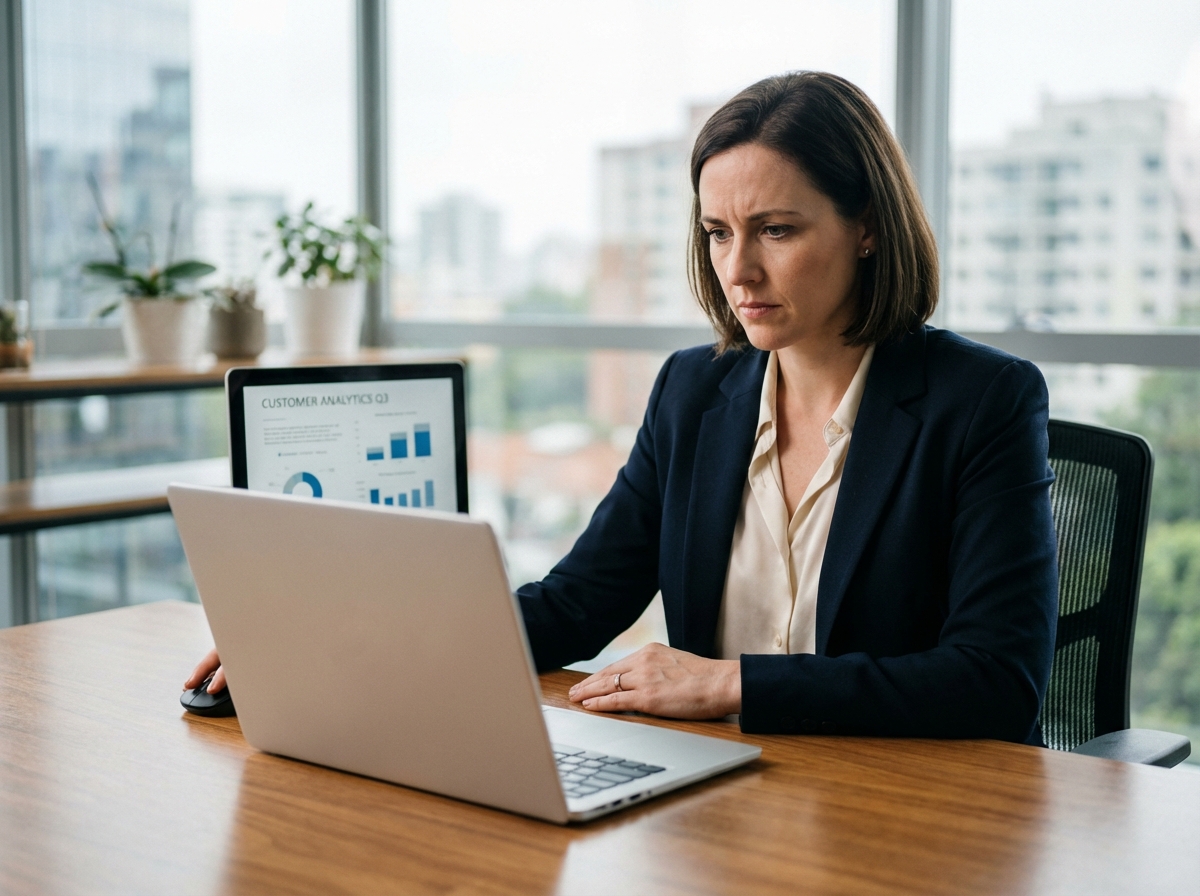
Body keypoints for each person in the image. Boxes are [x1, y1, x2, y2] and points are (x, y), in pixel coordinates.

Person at [188, 71, 1058, 744]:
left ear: (866, 227)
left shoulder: (981, 402)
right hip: (724, 804)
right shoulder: (695, 392)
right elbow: (574, 605)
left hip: (900, 817)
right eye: (719, 232)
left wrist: (730, 683)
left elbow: (995, 680)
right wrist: (330, 637)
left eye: (777, 230)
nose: (738, 270)